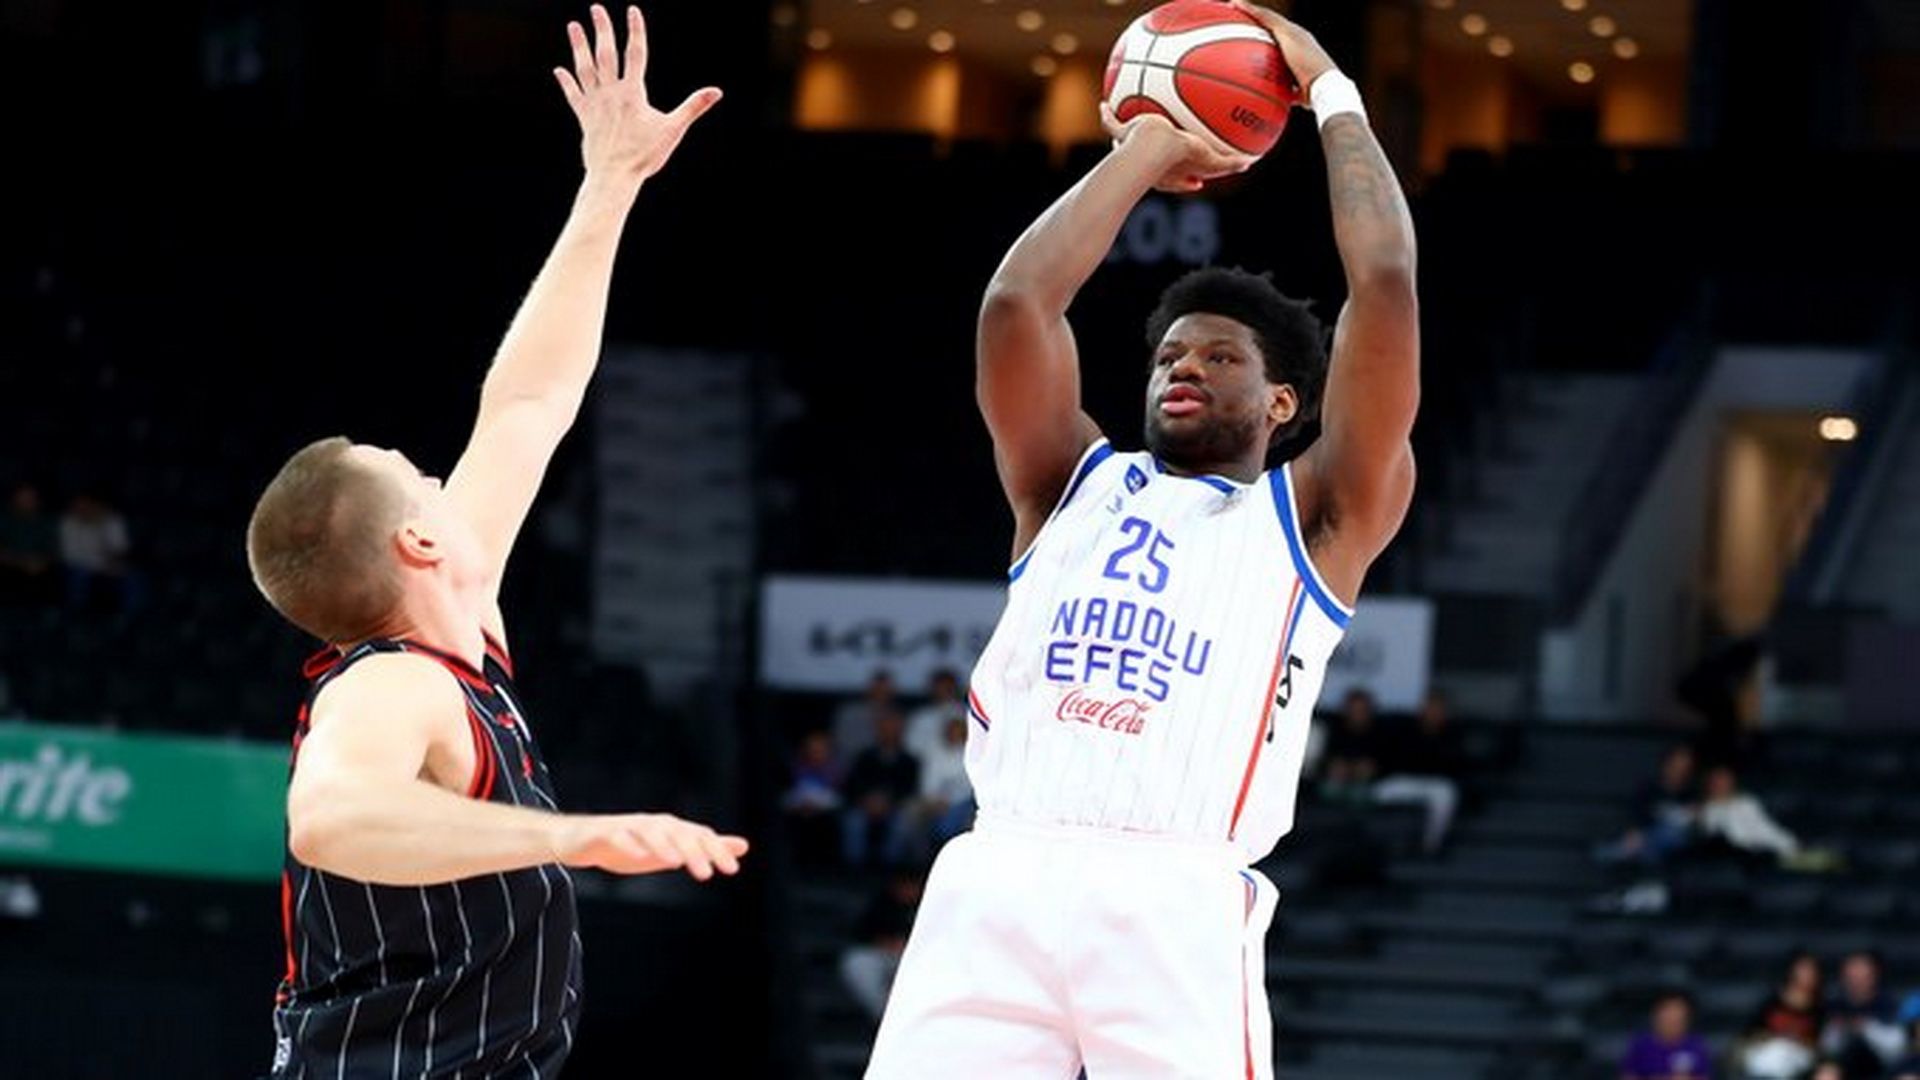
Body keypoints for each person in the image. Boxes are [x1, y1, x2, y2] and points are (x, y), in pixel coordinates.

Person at [867, 6, 1420, 1076]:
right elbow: (1018, 305)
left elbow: (1386, 285)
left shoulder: (1314, 515)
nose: (1183, 366)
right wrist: (1150, 145)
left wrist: (1331, 92)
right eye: (1170, 354)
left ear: (1282, 404)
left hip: (1173, 894)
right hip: (999, 868)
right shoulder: (1068, 483)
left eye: (1219, 358)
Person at [244, 9, 741, 1075]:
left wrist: (610, 185)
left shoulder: (462, 630)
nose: (440, 476)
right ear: (419, 543)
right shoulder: (391, 685)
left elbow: (527, 402)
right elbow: (327, 816)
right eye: (420, 478)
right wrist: (573, 837)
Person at [1371, 687, 1465, 854]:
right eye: (1430, 708)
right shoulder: (1406, 729)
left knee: (1446, 795)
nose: (1433, 713)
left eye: (1438, 709)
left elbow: (1453, 766)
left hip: (1436, 784)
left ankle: (1430, 845)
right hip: (1406, 780)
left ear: (1445, 712)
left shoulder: (1452, 734)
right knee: (1378, 792)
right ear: (1422, 709)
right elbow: (1396, 759)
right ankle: (1374, 842)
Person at [840, 869, 926, 1021]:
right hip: (885, 956)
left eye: (913, 885)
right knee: (857, 962)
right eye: (904, 885)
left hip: (920, 958)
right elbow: (863, 935)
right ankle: (887, 1017)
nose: (908, 889)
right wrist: (888, 943)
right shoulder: (883, 905)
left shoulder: (932, 905)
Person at [842, 710, 921, 869]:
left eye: (893, 729)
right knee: (853, 822)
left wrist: (888, 803)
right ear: (878, 731)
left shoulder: (909, 760)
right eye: (885, 729)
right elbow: (853, 785)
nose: (888, 733)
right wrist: (867, 801)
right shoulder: (864, 757)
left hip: (895, 806)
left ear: (900, 731)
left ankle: (888, 871)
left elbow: (910, 789)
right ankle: (854, 872)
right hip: (865, 806)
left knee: (902, 823)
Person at [1597, 745, 1700, 868]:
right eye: (1675, 767)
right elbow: (1637, 816)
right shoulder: (1649, 789)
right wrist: (1634, 833)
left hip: (1675, 843)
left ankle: (1628, 853)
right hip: (1648, 840)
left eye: (1684, 769)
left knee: (1671, 835)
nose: (1678, 772)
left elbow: (1692, 827)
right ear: (1666, 765)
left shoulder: (1692, 794)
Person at [1740, 953, 1826, 1080]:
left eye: (1810, 971)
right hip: (1769, 1050)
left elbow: (1821, 1042)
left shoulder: (1820, 1007)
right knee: (1776, 1054)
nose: (1806, 975)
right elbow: (1751, 1032)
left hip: (1801, 1057)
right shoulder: (1773, 1001)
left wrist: (1799, 1041)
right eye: (1802, 970)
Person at [1822, 951, 1905, 1077]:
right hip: (1844, 1070)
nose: (1856, 981)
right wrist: (1839, 1028)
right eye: (1852, 976)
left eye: (1862, 975)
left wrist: (1865, 1027)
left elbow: (1896, 1049)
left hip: (1883, 1070)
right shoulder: (1835, 1005)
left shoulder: (1888, 1004)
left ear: (1874, 975)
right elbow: (1828, 1049)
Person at [1697, 765, 1800, 864]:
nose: (1721, 784)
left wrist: (1786, 843)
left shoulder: (1747, 802)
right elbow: (1732, 839)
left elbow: (1765, 826)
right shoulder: (1707, 810)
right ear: (1709, 783)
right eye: (1717, 780)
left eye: (1725, 779)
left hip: (1768, 849)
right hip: (1741, 857)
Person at [58, 492, 140, 613]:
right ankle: (77, 615)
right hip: (81, 566)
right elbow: (70, 555)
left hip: (111, 565)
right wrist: (100, 565)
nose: (82, 509)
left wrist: (101, 528)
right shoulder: (68, 523)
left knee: (135, 578)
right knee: (79, 575)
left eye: (86, 505)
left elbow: (121, 549)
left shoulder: (113, 520)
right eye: (78, 506)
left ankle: (130, 616)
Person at [911, 714, 976, 857]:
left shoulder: (972, 755)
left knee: (954, 820)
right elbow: (927, 785)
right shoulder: (935, 753)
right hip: (935, 802)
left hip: (964, 803)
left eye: (958, 731)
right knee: (913, 816)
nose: (955, 735)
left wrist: (950, 802)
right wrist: (935, 801)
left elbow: (970, 788)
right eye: (951, 730)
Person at [1621, 989, 1714, 1080]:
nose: (1672, 1019)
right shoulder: (1641, 1046)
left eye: (1677, 1016)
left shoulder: (1696, 1046)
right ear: (1655, 1015)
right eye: (1667, 1013)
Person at [1321, 687, 1384, 802]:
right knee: (1330, 788)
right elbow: (1324, 760)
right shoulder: (1333, 730)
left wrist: (1368, 769)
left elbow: (1384, 763)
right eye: (1353, 710)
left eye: (1362, 710)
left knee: (1362, 792)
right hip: (1335, 781)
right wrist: (1336, 767)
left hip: (1370, 784)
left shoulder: (1380, 733)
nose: (1357, 714)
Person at [0, 484, 58, 606]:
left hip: (40, 567)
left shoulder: (47, 521)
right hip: (11, 565)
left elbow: (53, 548)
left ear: (37, 500)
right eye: (22, 498)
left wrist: (43, 561)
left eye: (30, 498)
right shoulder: (5, 519)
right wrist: (19, 561)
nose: (26, 502)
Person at [834, 669, 900, 761]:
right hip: (851, 763)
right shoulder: (850, 713)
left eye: (886, 690)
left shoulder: (895, 716)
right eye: (878, 689)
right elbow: (840, 745)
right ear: (870, 689)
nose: (881, 694)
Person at [904, 668, 965, 764]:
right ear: (932, 689)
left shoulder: (966, 715)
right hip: (930, 765)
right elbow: (911, 747)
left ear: (955, 688)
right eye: (940, 688)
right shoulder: (920, 717)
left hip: (960, 764)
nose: (943, 691)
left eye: (947, 688)